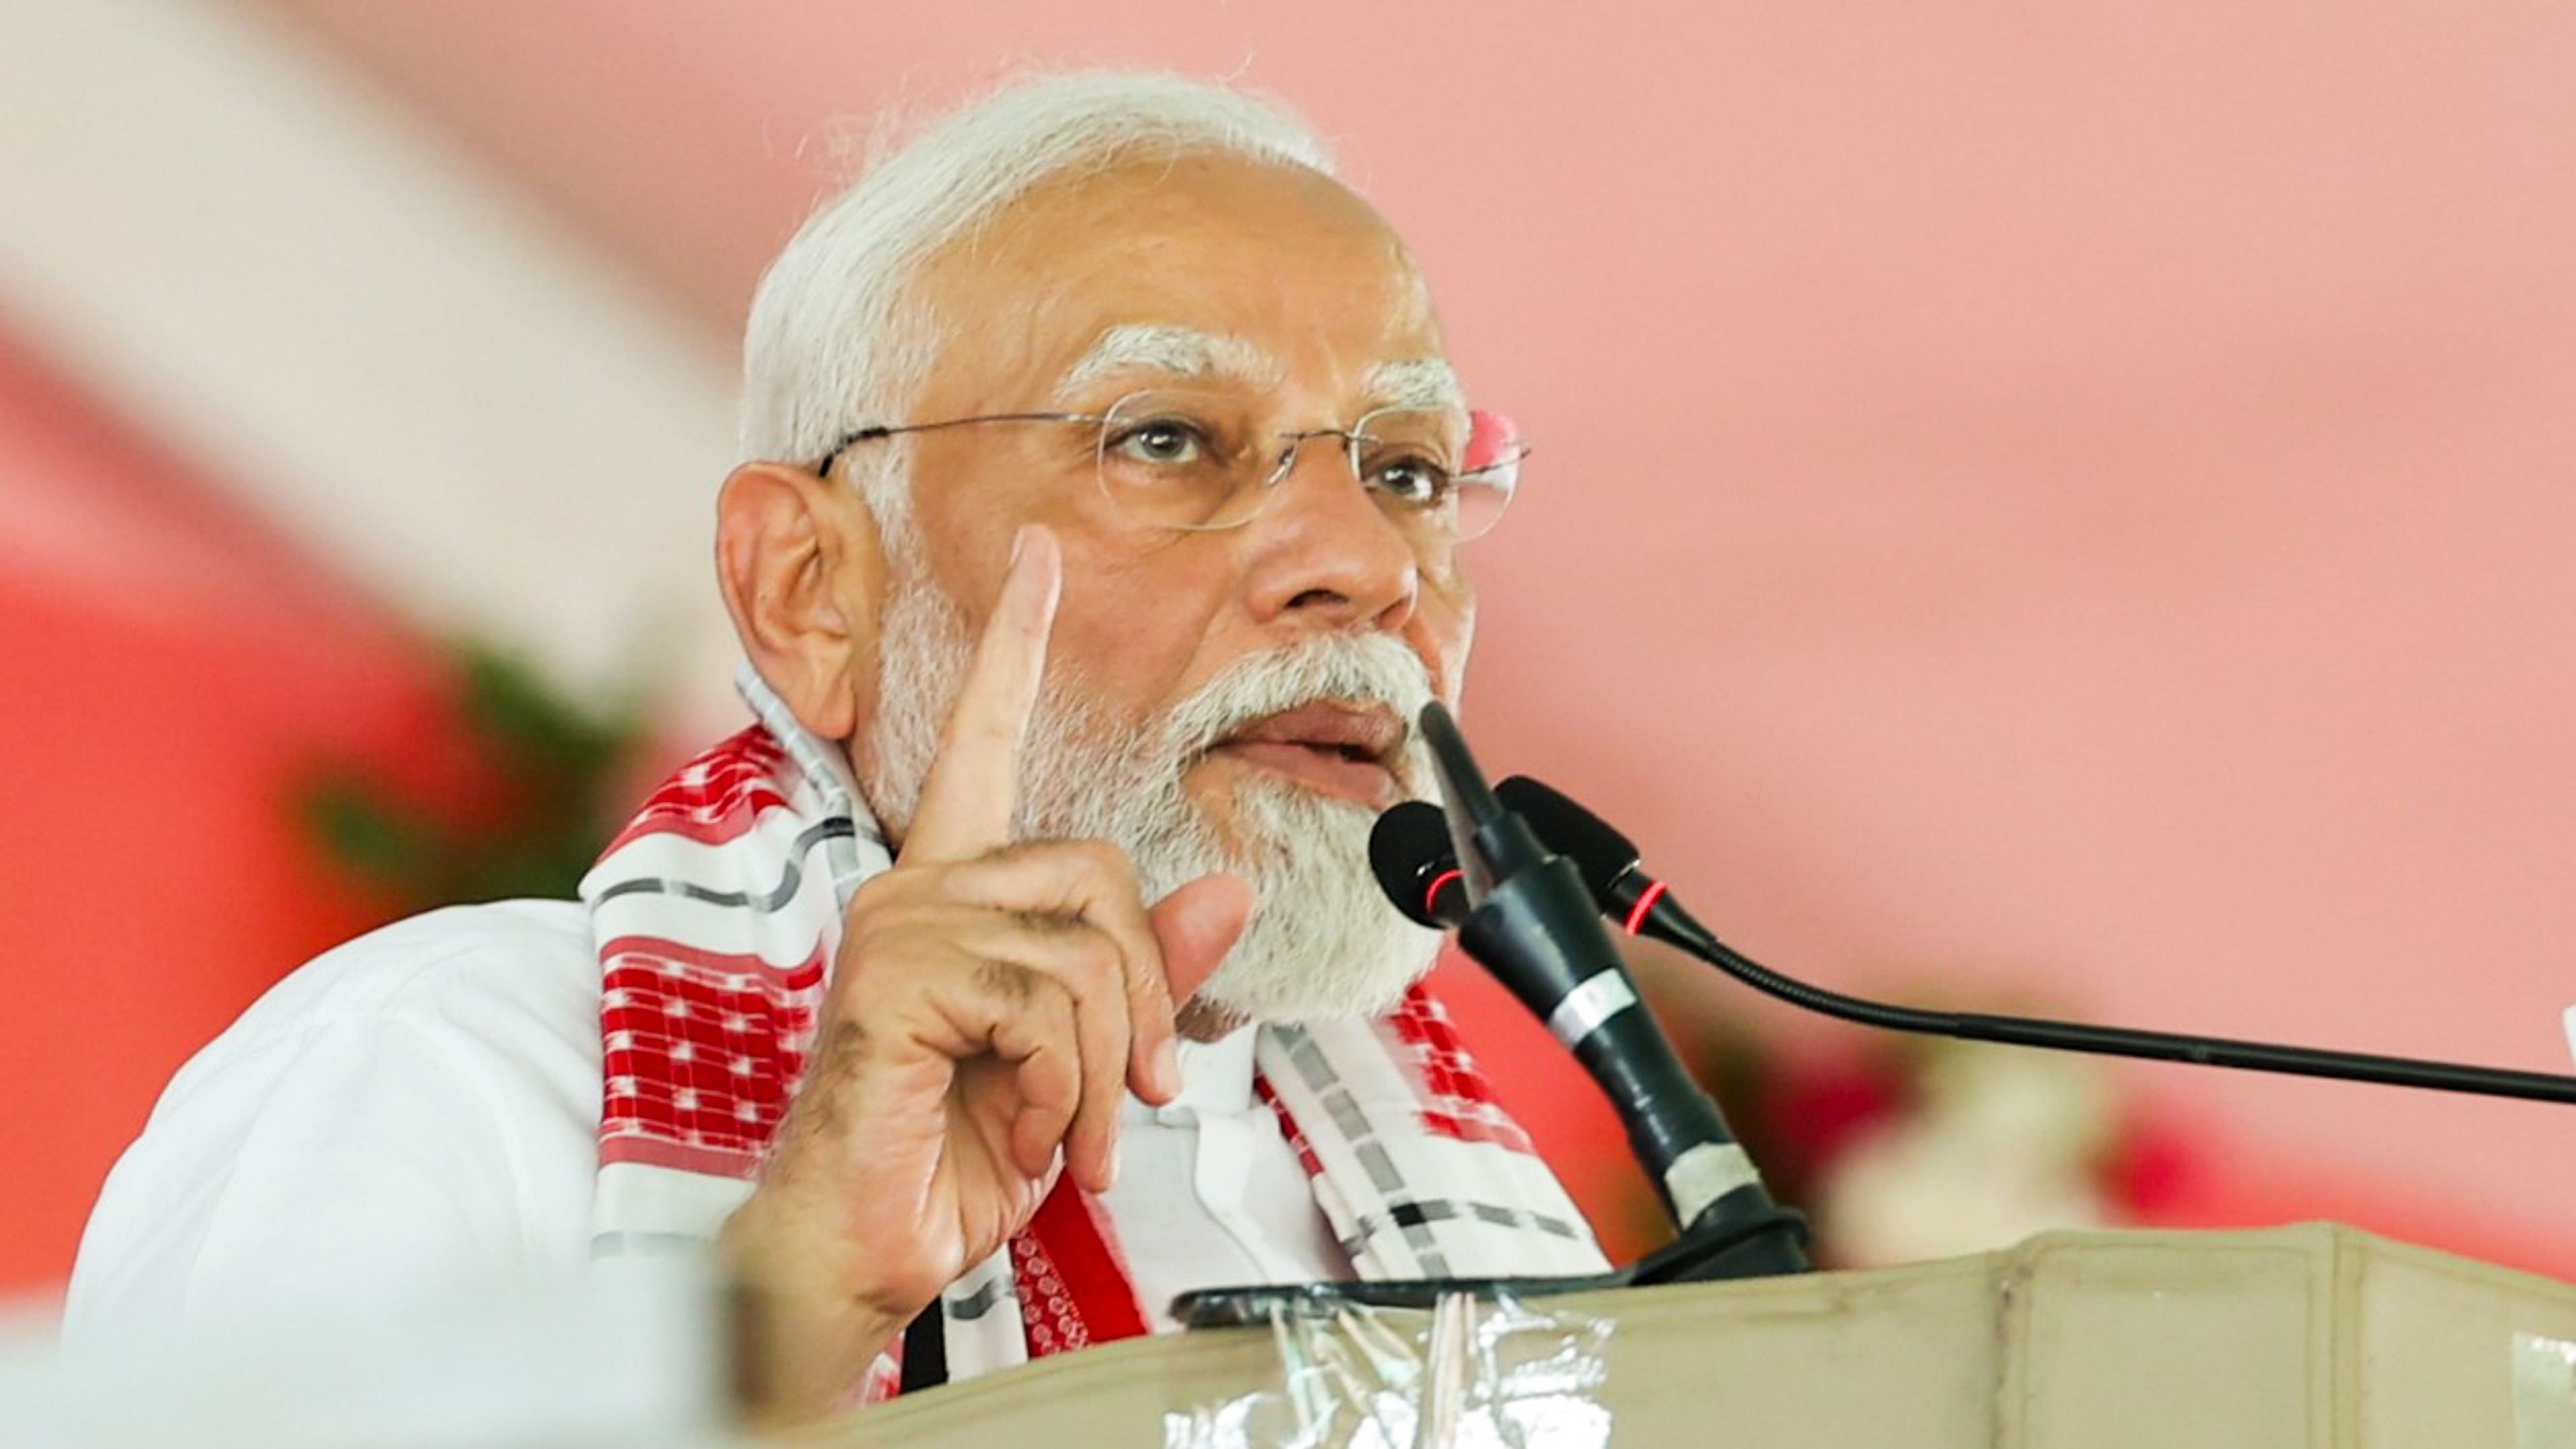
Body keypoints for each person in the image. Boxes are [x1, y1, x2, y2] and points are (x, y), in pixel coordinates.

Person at [67, 70, 1606, 1423]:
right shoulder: (450, 1080)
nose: (1365, 560)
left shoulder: (1496, 1229)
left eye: (1407, 467)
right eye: (1165, 436)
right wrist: (790, 1306)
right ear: (810, 590)